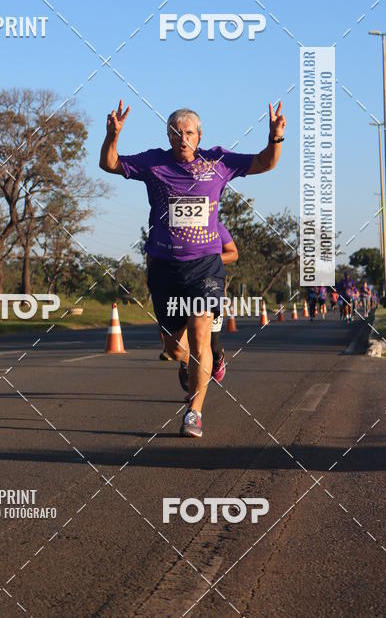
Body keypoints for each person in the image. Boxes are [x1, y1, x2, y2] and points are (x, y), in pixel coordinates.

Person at [99, 99, 286, 438]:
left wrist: (275, 138)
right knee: (172, 347)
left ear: (199, 136)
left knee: (201, 331)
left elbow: (265, 163)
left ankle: (194, 412)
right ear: (168, 136)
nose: (181, 138)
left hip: (204, 266)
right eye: (175, 132)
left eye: (188, 133)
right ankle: (188, 364)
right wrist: (112, 136)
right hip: (164, 266)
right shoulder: (153, 162)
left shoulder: (218, 161)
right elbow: (110, 164)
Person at [159, 220, 238, 377]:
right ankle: (189, 368)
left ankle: (217, 359)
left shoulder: (213, 224)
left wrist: (206, 262)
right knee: (185, 341)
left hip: (207, 288)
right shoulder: (171, 225)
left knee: (212, 346)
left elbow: (233, 253)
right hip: (179, 287)